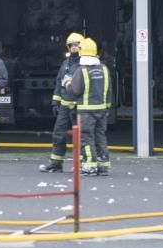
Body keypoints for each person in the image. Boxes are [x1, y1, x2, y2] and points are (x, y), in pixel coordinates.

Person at [64, 37, 112, 176]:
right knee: (100, 136)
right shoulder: (104, 69)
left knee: (86, 137)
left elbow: (75, 90)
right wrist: (107, 108)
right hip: (102, 110)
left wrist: (67, 82)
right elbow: (109, 91)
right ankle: (103, 165)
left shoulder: (82, 70)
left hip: (86, 111)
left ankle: (90, 165)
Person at [40, 32, 84, 173]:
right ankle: (56, 163)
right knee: (58, 133)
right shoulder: (65, 64)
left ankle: (81, 164)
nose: (73, 48)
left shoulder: (85, 64)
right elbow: (59, 83)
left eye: (76, 45)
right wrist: (55, 101)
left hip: (79, 106)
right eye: (71, 45)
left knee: (80, 137)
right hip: (65, 106)